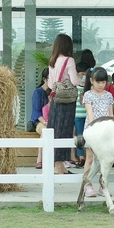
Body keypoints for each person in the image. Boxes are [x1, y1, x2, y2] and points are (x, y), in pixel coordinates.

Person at [47, 33, 83, 176]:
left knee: (54, 129)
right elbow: (74, 81)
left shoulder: (52, 61)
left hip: (56, 100)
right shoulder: (69, 60)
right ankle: (59, 166)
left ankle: (59, 165)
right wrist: (81, 79)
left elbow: (50, 84)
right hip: (67, 101)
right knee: (65, 130)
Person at [81, 67, 114, 198]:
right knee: (90, 158)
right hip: (93, 132)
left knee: (104, 160)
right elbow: (90, 115)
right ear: (91, 81)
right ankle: (87, 185)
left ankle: (103, 185)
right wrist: (96, 130)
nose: (101, 85)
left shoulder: (108, 95)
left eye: (103, 82)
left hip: (106, 132)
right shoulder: (88, 95)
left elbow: (111, 114)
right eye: (98, 82)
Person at [28, 71, 49, 170]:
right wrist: (45, 122)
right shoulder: (38, 92)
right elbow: (36, 112)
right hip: (39, 121)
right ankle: (39, 160)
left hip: (51, 121)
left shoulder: (55, 92)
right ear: (45, 79)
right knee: (45, 131)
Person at [72, 61, 91, 168]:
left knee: (88, 136)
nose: (83, 76)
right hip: (78, 115)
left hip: (88, 115)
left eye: (85, 74)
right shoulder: (74, 87)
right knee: (79, 135)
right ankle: (80, 157)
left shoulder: (90, 87)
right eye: (81, 74)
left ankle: (87, 156)